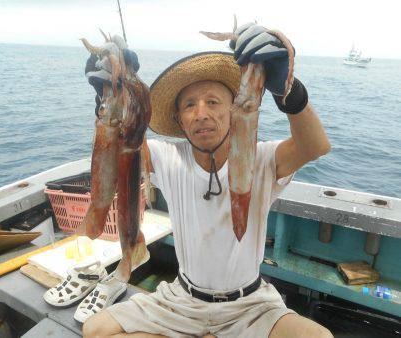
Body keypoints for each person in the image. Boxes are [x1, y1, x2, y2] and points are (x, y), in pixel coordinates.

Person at [82, 22, 333, 338]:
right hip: (183, 299)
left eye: (213, 102)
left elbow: (315, 145)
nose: (201, 113)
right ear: (179, 120)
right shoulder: (169, 158)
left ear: (233, 109)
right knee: (96, 329)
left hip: (250, 304)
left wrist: (289, 91)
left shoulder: (262, 158)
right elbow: (124, 148)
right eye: (189, 105)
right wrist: (112, 96)